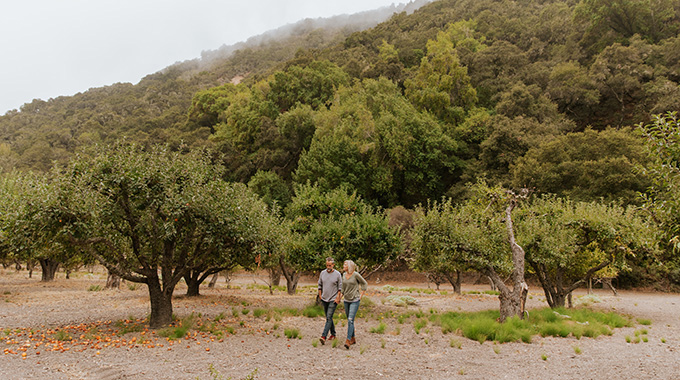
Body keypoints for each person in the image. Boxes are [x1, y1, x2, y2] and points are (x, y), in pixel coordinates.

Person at [341, 259, 367, 349]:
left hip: (355, 300)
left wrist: (361, 295)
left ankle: (348, 340)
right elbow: (343, 288)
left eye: (344, 265)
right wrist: (339, 298)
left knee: (350, 320)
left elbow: (364, 283)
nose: (343, 266)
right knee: (349, 320)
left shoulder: (355, 274)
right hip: (346, 300)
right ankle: (353, 338)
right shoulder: (344, 275)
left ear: (349, 266)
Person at [317, 257, 342, 345]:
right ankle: (333, 334)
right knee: (329, 317)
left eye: (330, 265)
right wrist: (320, 295)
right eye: (327, 265)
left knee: (328, 317)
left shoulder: (337, 274)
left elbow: (340, 287)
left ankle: (323, 336)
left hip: (333, 299)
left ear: (333, 265)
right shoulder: (322, 273)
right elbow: (319, 284)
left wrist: (338, 298)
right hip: (324, 298)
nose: (328, 267)